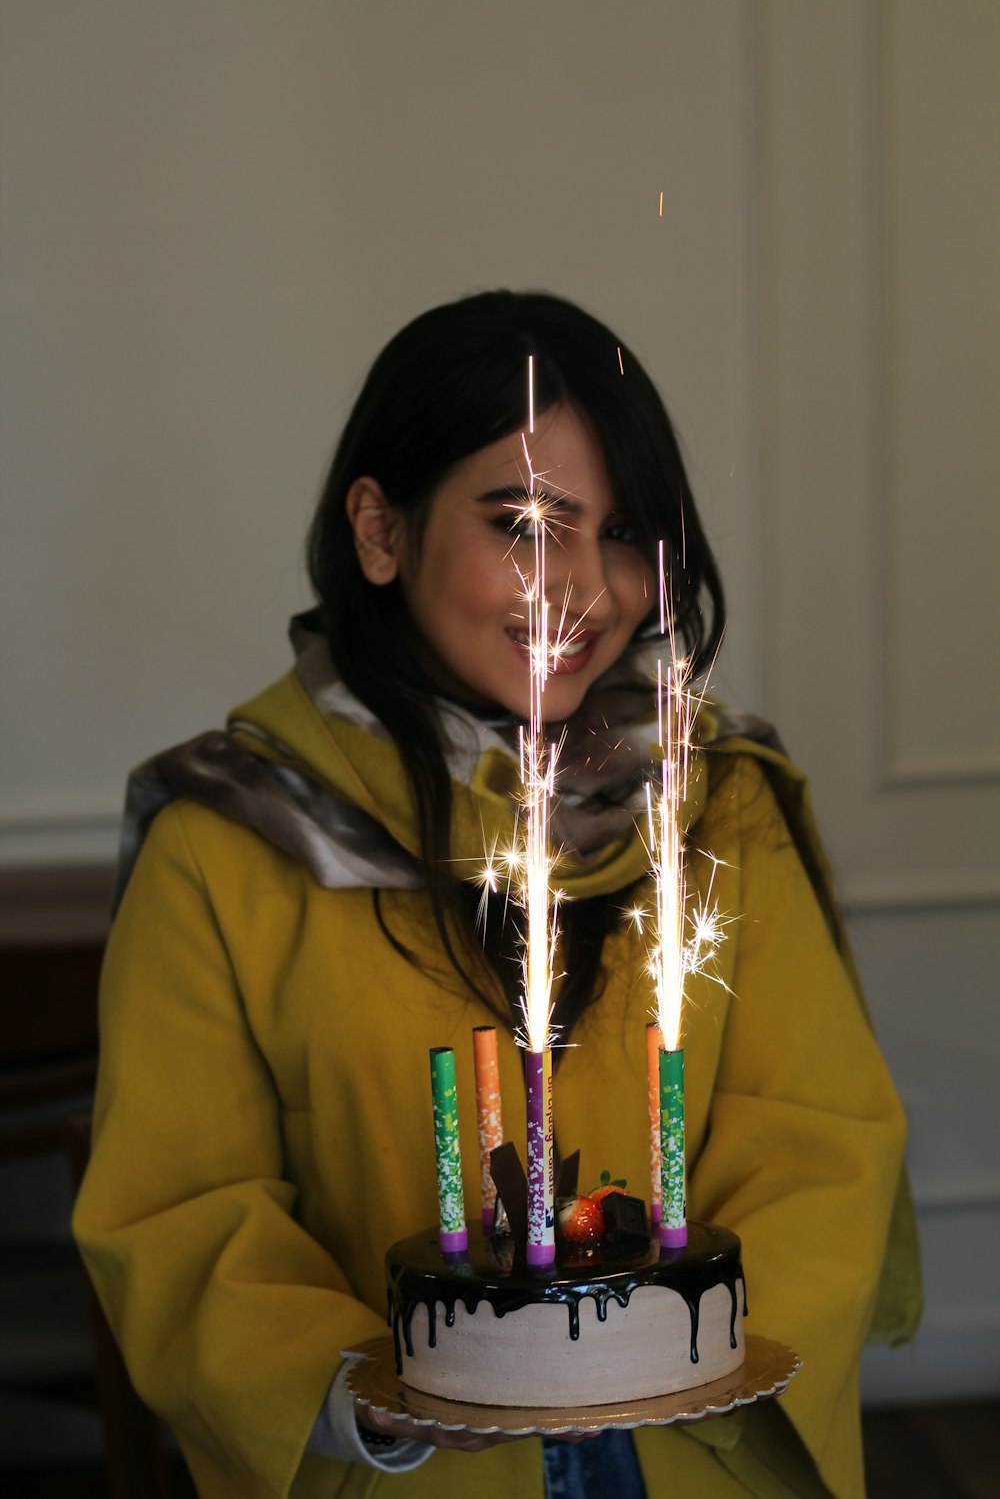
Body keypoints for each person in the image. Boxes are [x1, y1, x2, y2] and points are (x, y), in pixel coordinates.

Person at [74, 290, 920, 1499]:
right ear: (380, 530)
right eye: (526, 523)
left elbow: (821, 1137)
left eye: (622, 532)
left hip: (697, 1450)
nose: (584, 589)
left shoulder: (711, 801)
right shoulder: (230, 839)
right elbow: (180, 1212)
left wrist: (646, 1355)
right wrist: (380, 1395)